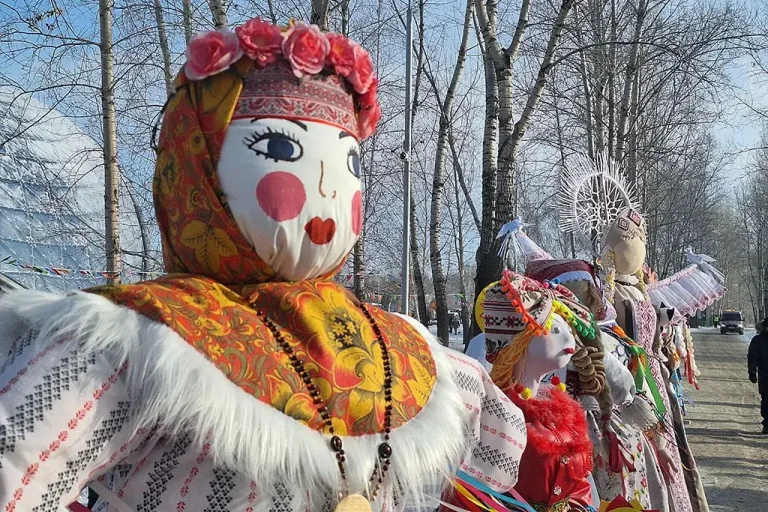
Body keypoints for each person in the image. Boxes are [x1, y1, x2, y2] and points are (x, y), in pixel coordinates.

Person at [748, 317, 768, 434]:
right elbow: (752, 357)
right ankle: (767, 424)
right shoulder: (758, 340)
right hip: (765, 375)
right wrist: (752, 372)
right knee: (766, 401)